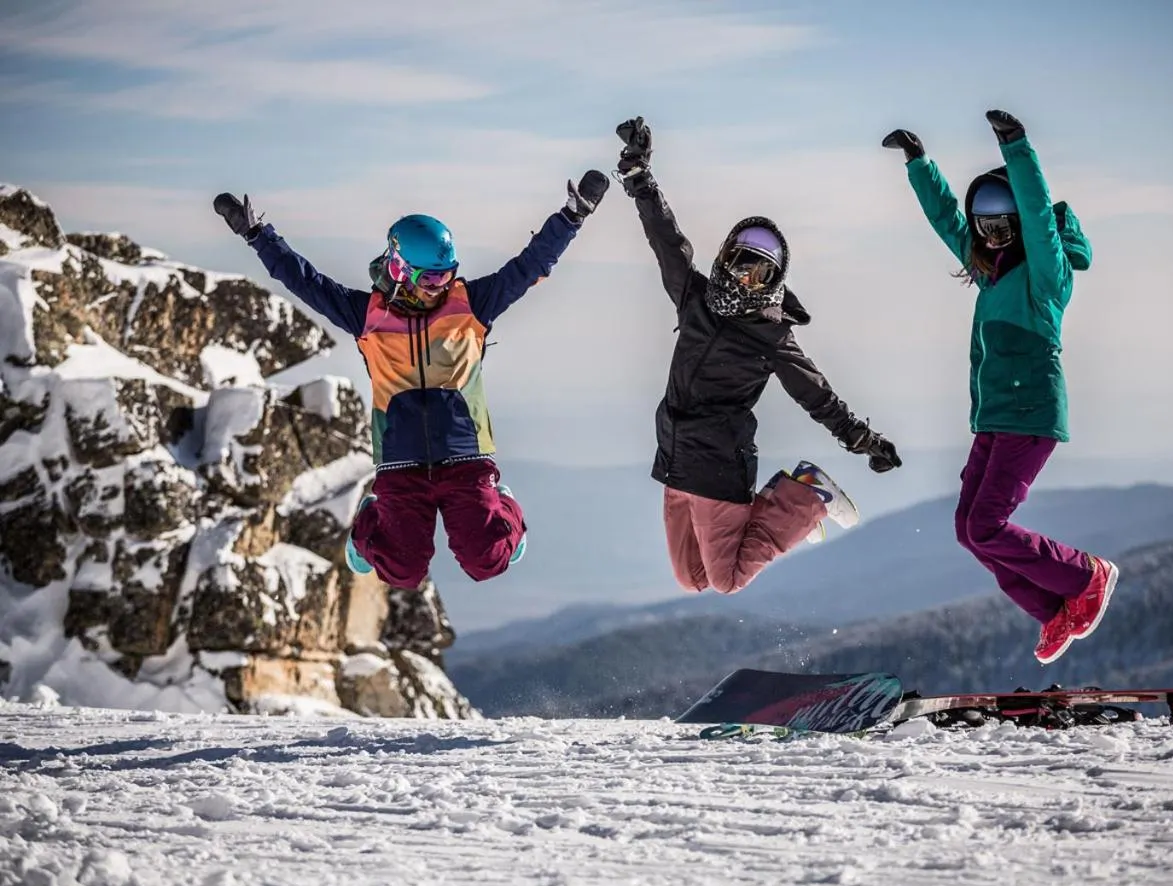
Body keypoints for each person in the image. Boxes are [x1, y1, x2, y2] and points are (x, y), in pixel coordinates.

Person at [212, 169, 609, 590]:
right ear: (400, 269)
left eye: (447, 274)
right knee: (402, 571)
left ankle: (503, 506)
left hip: (465, 455)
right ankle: (370, 519)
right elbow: (304, 280)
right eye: (430, 278)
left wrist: (571, 217)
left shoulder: (471, 304)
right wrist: (258, 235)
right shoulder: (366, 314)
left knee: (488, 560)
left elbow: (529, 266)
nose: (441, 286)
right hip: (401, 459)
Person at [614, 116, 902, 596]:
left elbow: (817, 395)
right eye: (741, 266)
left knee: (726, 580)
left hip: (719, 466)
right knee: (692, 578)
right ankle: (779, 503)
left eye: (760, 274)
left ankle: (806, 495)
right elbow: (664, 237)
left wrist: (863, 440)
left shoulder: (770, 337)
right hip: (674, 455)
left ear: (774, 282)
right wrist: (640, 175)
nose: (745, 280)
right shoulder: (694, 297)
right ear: (725, 257)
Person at [882, 109, 1117, 664]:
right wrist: (919, 164)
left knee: (987, 525)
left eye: (999, 219)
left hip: (1030, 416)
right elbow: (947, 222)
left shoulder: (1044, 279)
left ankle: (1086, 575)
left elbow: (1039, 216)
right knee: (969, 528)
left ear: (1016, 218)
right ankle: (1055, 611)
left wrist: (1016, 146)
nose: (988, 231)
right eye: (981, 221)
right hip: (995, 416)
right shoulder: (990, 272)